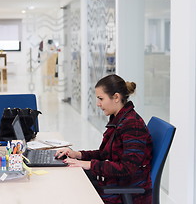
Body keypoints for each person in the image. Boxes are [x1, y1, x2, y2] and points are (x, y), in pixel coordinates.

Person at [55, 74, 153, 204]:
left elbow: (127, 168)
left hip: (126, 189)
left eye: (101, 98)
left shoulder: (132, 125)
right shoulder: (119, 119)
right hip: (116, 182)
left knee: (71, 189)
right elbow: (104, 154)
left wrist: (89, 164)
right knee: (70, 177)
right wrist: (78, 155)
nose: (98, 104)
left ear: (116, 97)